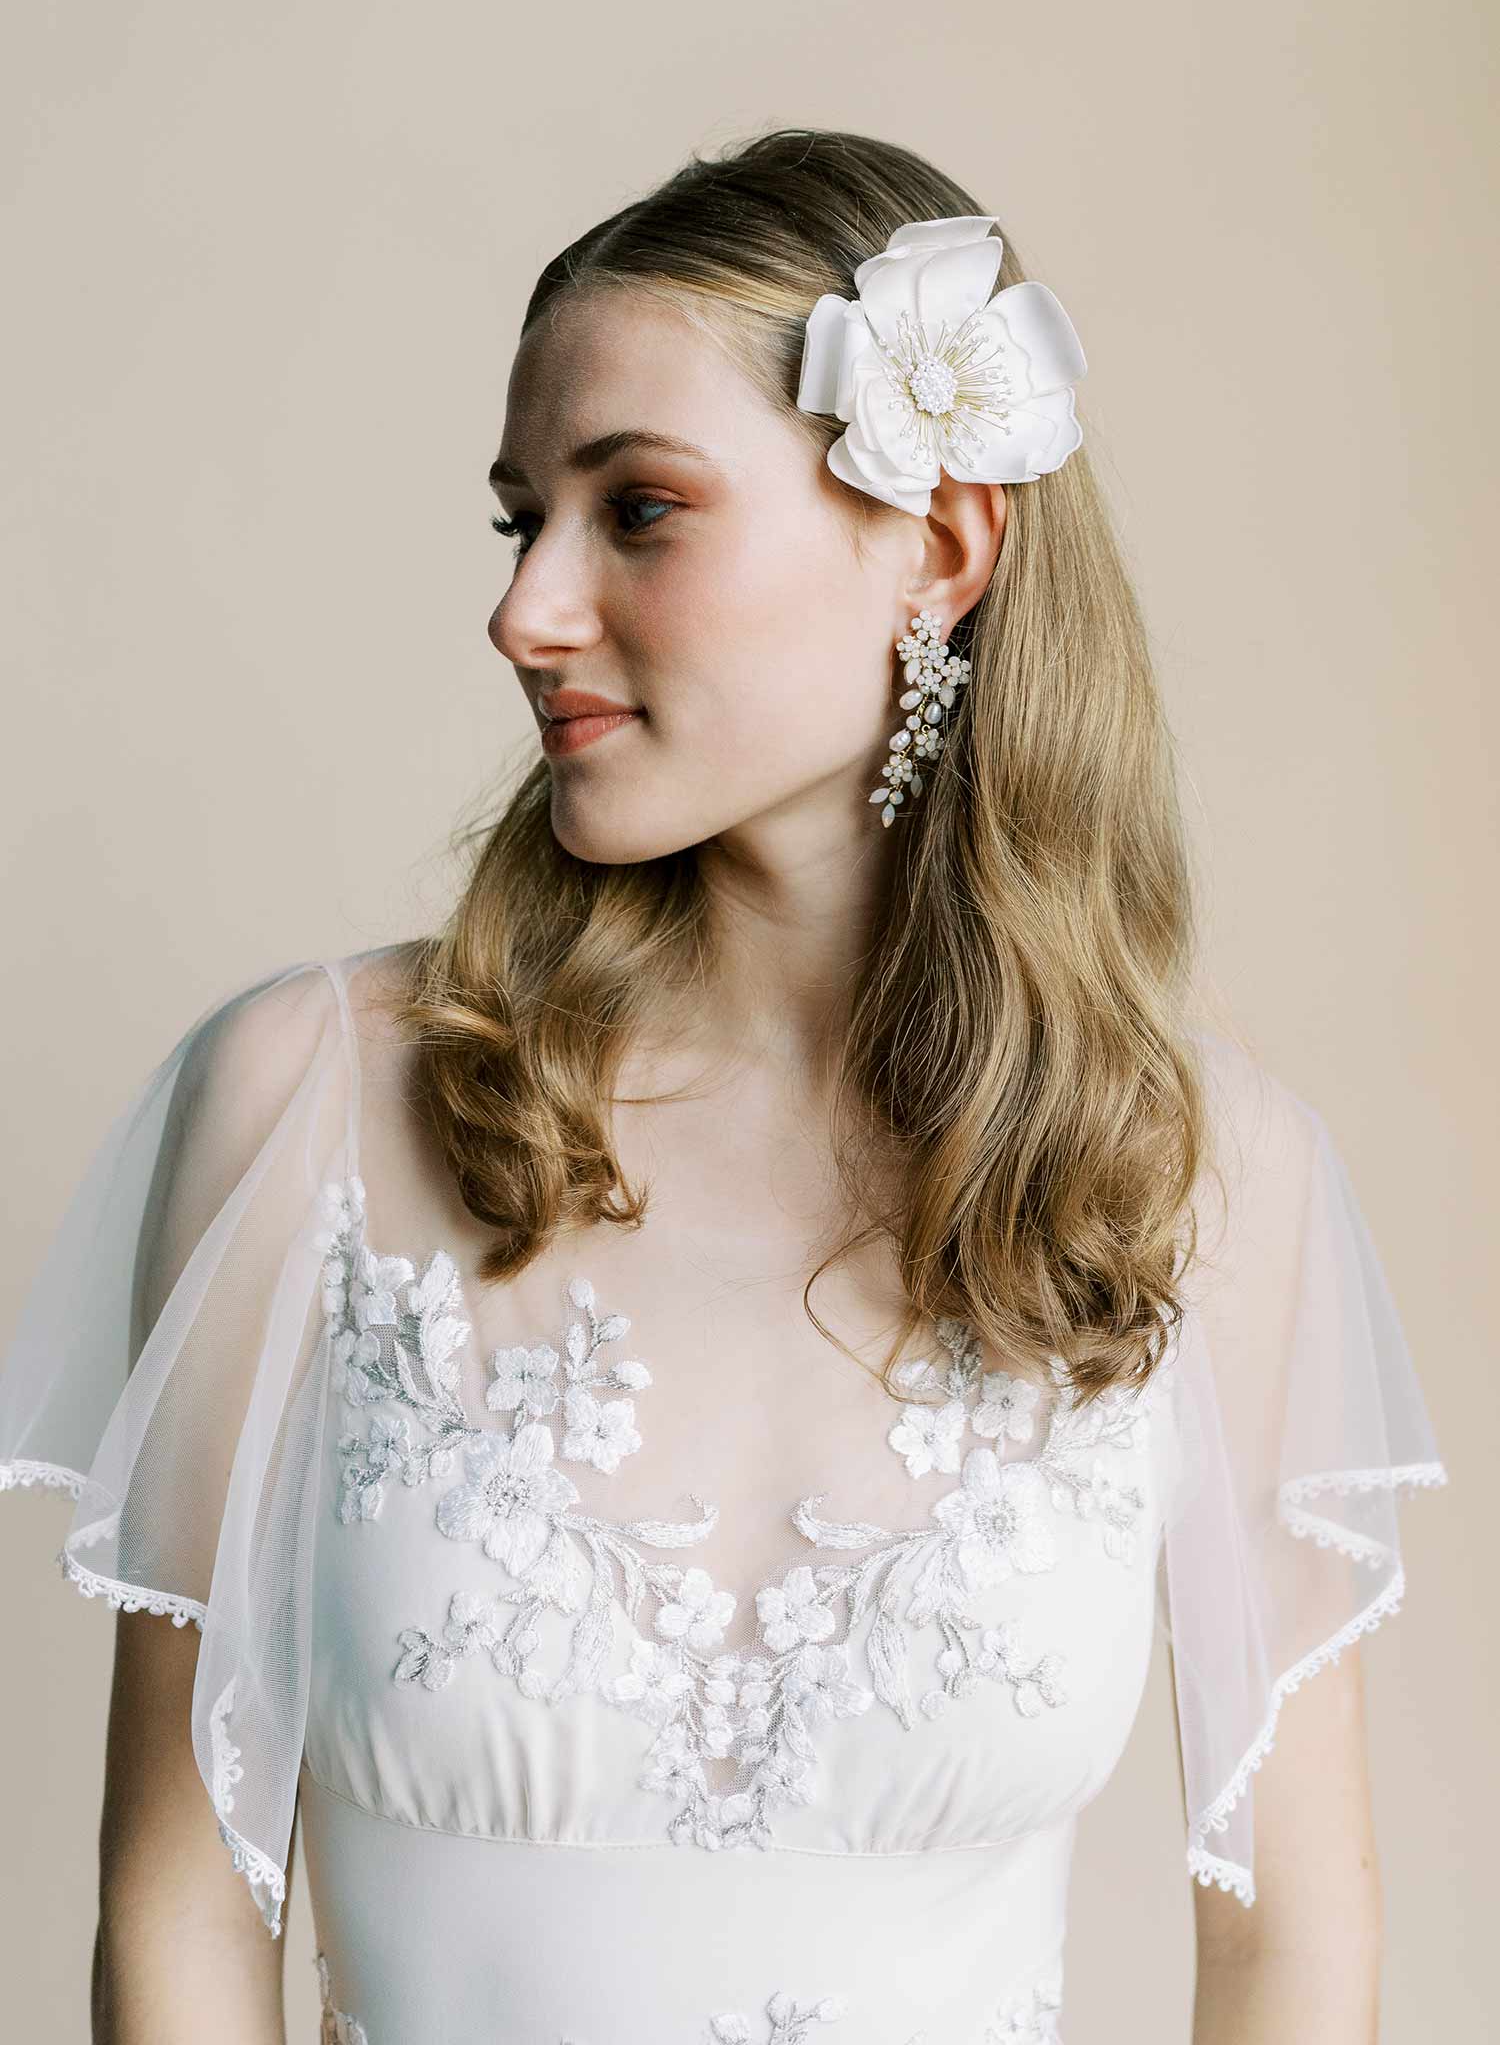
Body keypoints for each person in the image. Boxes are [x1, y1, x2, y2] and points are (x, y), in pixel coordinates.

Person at [0, 127, 1448, 2045]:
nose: (528, 612)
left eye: (640, 511)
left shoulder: (1194, 1174)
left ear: (938, 541)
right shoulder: (313, 1105)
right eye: (522, 519)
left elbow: (1286, 1949)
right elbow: (175, 1911)